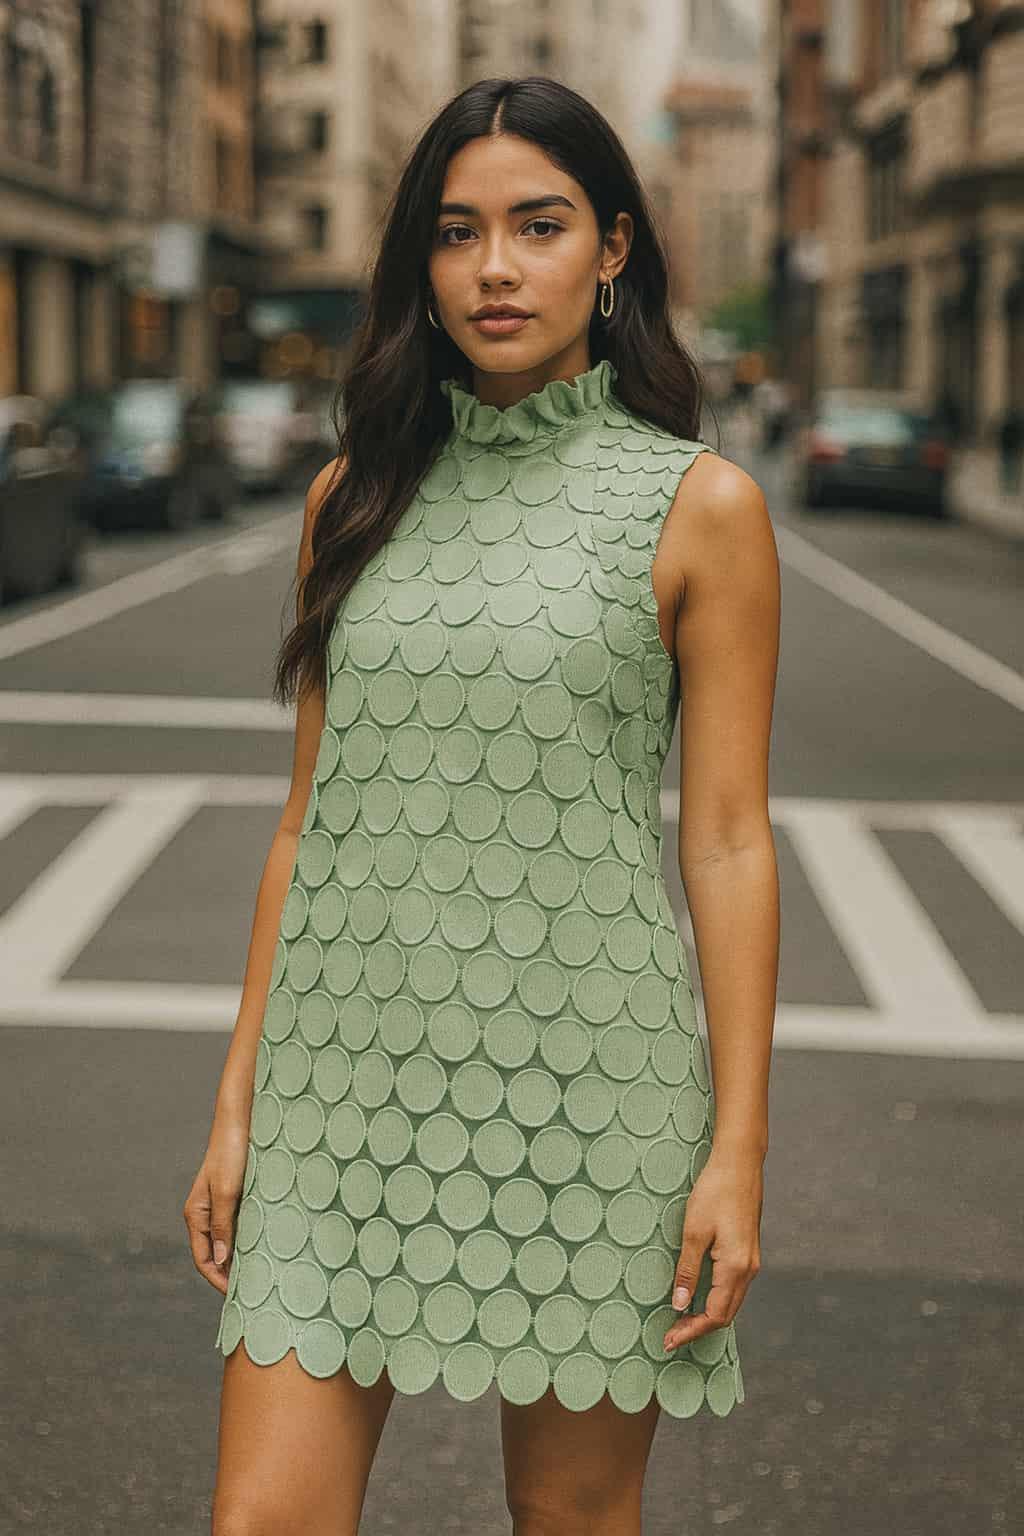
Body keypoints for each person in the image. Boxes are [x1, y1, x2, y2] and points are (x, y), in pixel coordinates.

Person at [184, 75, 780, 1536]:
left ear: (615, 250)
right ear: (421, 263)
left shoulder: (701, 508)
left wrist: (737, 1153)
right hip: (338, 1086)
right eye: (458, 232)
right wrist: (237, 1096)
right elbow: (302, 821)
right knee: (263, 1521)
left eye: (540, 225)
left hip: (589, 1089)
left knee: (571, 1527)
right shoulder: (355, 497)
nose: (496, 267)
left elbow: (727, 840)